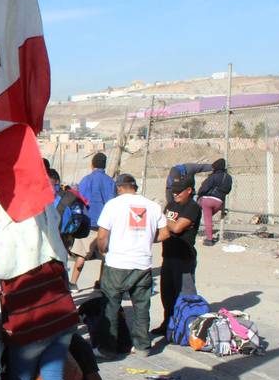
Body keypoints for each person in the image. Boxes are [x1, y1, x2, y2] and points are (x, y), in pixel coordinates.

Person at [95, 173, 168, 359]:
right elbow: (165, 234)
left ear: (119, 187)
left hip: (117, 263)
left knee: (111, 305)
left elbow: (102, 235)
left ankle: (108, 348)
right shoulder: (152, 206)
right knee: (142, 305)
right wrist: (146, 240)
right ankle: (142, 346)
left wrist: (104, 250)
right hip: (143, 263)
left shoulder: (113, 205)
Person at [151, 178, 202, 337]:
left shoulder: (192, 207)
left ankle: (190, 328)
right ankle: (168, 324)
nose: (175, 194)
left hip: (184, 257)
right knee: (167, 294)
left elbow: (178, 227)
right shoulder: (171, 205)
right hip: (168, 256)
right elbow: (163, 227)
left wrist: (164, 220)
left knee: (186, 294)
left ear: (189, 190)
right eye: (174, 191)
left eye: (179, 191)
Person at [70, 152, 115, 287]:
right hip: (105, 226)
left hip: (88, 224)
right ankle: (100, 282)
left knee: (81, 255)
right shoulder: (110, 182)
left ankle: (73, 283)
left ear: (92, 165)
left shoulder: (86, 180)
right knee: (105, 256)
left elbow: (80, 200)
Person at [196, 158, 233, 246]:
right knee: (208, 216)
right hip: (220, 202)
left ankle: (209, 239)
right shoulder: (228, 177)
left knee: (207, 217)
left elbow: (204, 188)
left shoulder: (213, 176)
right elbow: (228, 190)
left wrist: (199, 195)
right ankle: (200, 222)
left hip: (207, 200)